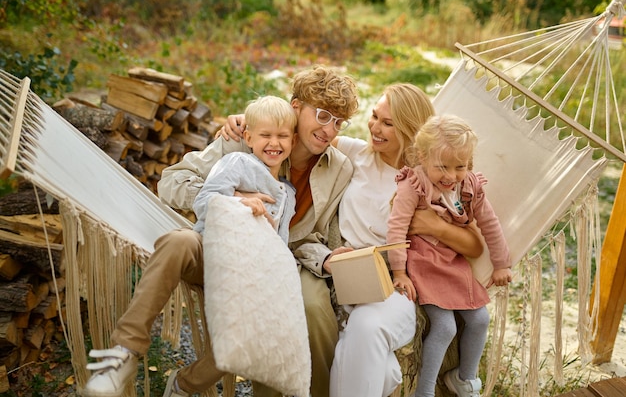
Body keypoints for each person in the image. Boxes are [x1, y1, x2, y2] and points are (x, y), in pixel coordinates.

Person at [81, 65, 359, 397]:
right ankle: (123, 354)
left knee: (269, 325)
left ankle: (189, 384)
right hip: (216, 247)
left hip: (264, 268)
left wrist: (327, 257)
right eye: (324, 116)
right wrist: (234, 199)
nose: (330, 129)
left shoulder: (338, 168)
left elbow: (307, 238)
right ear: (296, 107)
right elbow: (171, 182)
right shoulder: (245, 139)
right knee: (179, 240)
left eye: (339, 122)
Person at [323, 84, 485, 397]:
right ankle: (390, 377)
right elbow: (296, 131)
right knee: (379, 368)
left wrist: (433, 226)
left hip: (395, 283)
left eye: (387, 123)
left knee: (367, 327)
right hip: (348, 272)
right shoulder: (354, 152)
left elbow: (476, 246)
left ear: (410, 129)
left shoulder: (430, 180)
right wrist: (238, 124)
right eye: (374, 117)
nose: (374, 127)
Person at [386, 114, 513, 397]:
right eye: (442, 166)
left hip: (452, 262)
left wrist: (501, 264)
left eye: (461, 166)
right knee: (444, 327)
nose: (451, 176)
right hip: (421, 262)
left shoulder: (469, 187)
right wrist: (399, 271)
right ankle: (425, 390)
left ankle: (465, 379)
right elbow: (396, 228)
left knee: (480, 319)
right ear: (422, 156)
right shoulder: (413, 185)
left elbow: (489, 224)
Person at [192, 95, 297, 244]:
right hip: (218, 248)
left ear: (293, 141)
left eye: (282, 136)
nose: (274, 143)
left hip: (256, 262)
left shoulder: (289, 194)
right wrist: (238, 202)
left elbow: (281, 240)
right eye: (265, 135)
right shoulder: (237, 162)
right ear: (248, 138)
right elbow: (202, 201)